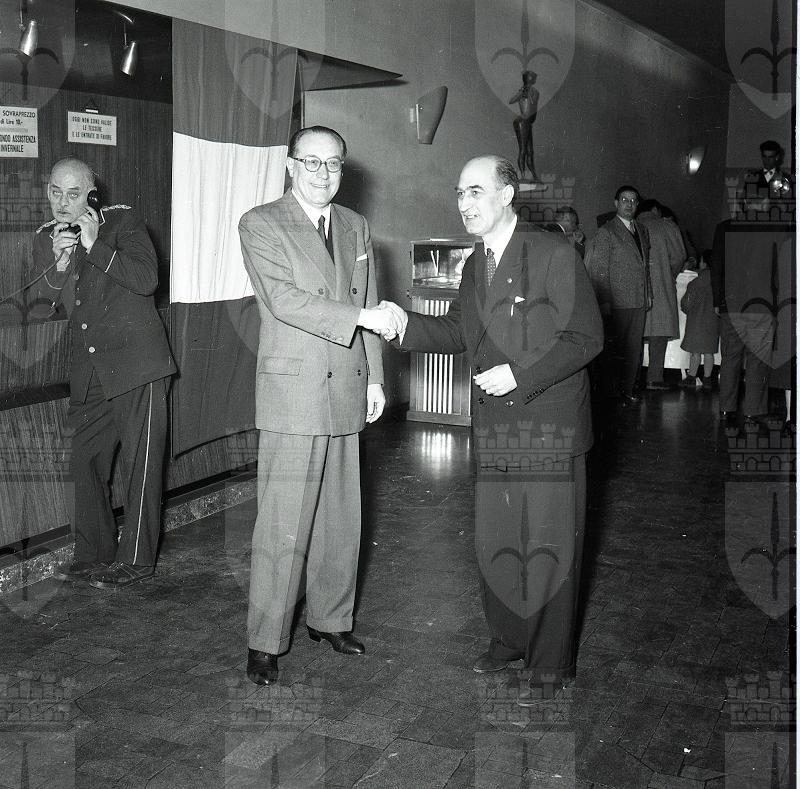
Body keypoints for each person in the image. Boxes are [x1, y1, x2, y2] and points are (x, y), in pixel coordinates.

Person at [380, 155, 603, 705]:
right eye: (460, 193)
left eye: (476, 191)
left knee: (547, 547)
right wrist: (404, 326)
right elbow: (460, 331)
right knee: (497, 540)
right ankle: (509, 639)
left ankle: (550, 664)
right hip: (495, 426)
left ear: (507, 195)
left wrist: (520, 374)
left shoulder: (552, 252)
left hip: (547, 424)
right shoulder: (475, 264)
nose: (464, 203)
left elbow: (585, 337)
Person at [238, 126, 400, 686]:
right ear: (290, 165)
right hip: (295, 393)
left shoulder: (356, 225)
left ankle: (330, 619)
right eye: (311, 162)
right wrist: (362, 319)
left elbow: (367, 298)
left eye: (333, 163)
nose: (323, 173)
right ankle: (265, 640)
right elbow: (285, 301)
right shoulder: (261, 223)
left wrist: (375, 378)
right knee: (282, 525)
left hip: (348, 387)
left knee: (341, 518)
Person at [34, 157, 176, 590]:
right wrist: (60, 264)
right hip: (92, 371)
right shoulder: (51, 237)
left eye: (73, 193)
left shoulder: (123, 223)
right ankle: (94, 553)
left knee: (140, 466)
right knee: (84, 461)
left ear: (92, 195)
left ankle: (136, 561)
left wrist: (95, 245)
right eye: (56, 192)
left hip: (137, 365)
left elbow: (147, 279)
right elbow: (47, 307)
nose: (62, 202)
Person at [711, 190, 793, 431]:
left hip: (731, 305)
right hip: (762, 305)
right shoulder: (776, 229)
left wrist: (718, 300)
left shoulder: (724, 227)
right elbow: (781, 271)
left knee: (730, 358)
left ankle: (726, 409)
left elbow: (716, 267)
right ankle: (752, 411)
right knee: (758, 360)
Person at [586, 185, 652, 404]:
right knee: (615, 351)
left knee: (634, 349)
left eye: (633, 201)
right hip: (616, 302)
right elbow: (599, 270)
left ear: (638, 205)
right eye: (624, 200)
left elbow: (644, 266)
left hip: (638, 300)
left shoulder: (642, 230)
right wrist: (604, 302)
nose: (629, 205)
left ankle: (628, 389)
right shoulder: (607, 231)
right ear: (616, 203)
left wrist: (648, 294)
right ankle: (612, 394)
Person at [636, 199, 686, 390]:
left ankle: (633, 380)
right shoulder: (667, 226)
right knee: (658, 334)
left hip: (634, 289)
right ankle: (654, 378)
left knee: (635, 335)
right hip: (660, 287)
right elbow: (679, 256)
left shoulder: (631, 225)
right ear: (655, 209)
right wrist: (668, 274)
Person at [679, 252, 718, 389]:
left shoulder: (695, 283)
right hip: (713, 323)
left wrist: (685, 308)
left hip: (696, 322)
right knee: (709, 353)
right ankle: (707, 379)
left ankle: (691, 377)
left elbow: (686, 304)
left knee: (695, 352)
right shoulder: (718, 283)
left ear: (704, 264)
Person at [508, 71, 540, 181]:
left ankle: (534, 176)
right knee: (523, 150)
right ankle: (523, 175)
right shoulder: (524, 91)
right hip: (523, 121)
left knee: (530, 151)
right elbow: (511, 101)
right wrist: (521, 92)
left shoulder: (533, 91)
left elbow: (533, 102)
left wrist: (527, 93)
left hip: (527, 122)